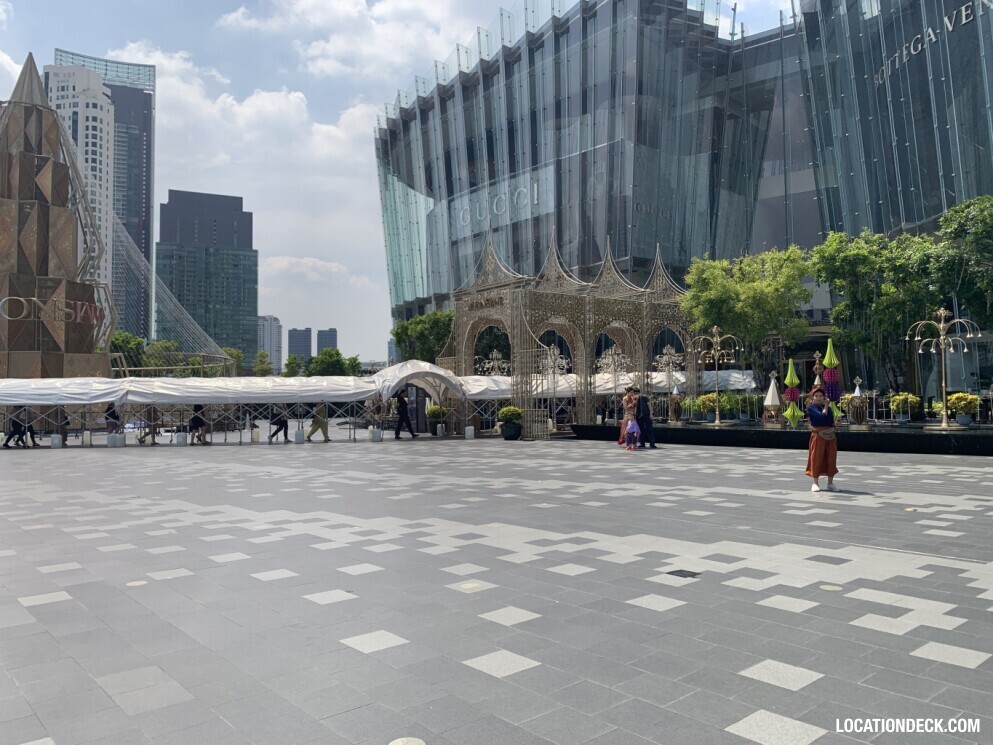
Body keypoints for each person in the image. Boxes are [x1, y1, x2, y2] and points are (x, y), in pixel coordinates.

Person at [805, 387, 839, 492]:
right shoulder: (811, 408)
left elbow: (829, 422)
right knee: (816, 458)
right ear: (813, 398)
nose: (819, 398)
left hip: (830, 436)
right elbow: (822, 417)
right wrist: (827, 405)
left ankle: (830, 483)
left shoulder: (829, 409)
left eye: (821, 396)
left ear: (824, 397)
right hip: (818, 436)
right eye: (816, 396)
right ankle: (815, 483)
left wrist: (836, 423)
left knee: (831, 458)